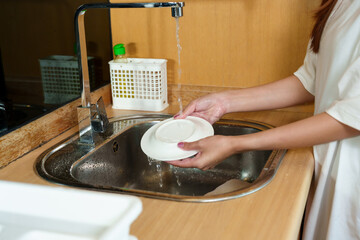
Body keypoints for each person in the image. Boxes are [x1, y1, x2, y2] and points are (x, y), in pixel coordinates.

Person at [168, 0, 360, 239]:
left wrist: (235, 144)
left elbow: (350, 118)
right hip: (331, 170)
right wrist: (224, 102)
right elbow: (311, 80)